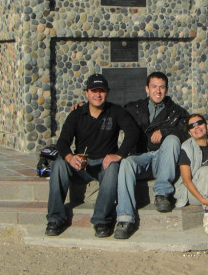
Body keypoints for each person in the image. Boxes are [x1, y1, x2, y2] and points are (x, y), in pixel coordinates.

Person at [45, 73, 139, 238]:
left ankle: (101, 220)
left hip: (104, 164)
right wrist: (69, 157)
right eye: (93, 91)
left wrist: (118, 155)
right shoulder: (77, 114)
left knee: (113, 167)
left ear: (107, 92)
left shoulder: (115, 111)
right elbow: (62, 142)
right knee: (59, 164)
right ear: (87, 93)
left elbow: (133, 133)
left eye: (101, 91)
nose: (98, 95)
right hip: (81, 164)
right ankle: (55, 218)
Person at [113, 71, 189, 239]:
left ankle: (162, 193)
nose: (158, 91)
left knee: (172, 140)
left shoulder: (177, 112)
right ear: (147, 89)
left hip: (165, 160)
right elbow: (111, 114)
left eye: (162, 87)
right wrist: (86, 106)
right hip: (143, 158)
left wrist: (165, 130)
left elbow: (189, 132)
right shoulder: (134, 108)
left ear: (167, 89)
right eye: (154, 87)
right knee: (126, 163)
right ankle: (125, 219)